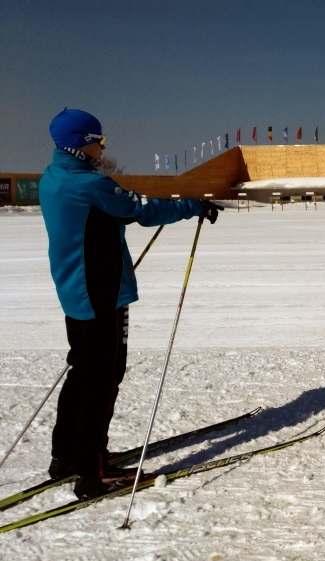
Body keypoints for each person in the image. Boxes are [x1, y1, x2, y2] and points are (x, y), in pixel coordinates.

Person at [39, 108, 223, 499]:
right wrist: (194, 205)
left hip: (77, 292)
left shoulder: (55, 177)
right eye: (98, 139)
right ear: (79, 141)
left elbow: (105, 216)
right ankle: (93, 472)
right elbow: (142, 208)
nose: (103, 146)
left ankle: (67, 456)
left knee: (83, 373)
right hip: (100, 294)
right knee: (102, 379)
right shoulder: (88, 183)